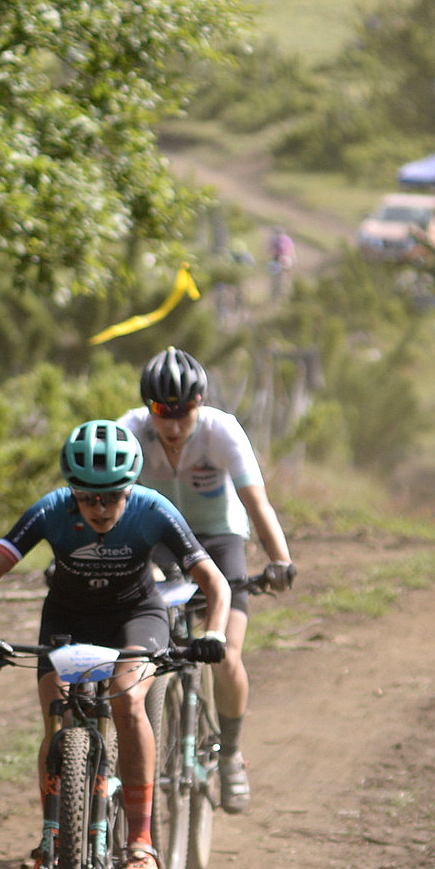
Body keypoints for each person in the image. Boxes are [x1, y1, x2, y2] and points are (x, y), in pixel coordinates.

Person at [0, 421, 229, 869]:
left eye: (112, 496)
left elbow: (213, 580)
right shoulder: (51, 510)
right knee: (55, 718)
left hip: (136, 614)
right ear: (72, 490)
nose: (99, 507)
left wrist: (214, 632)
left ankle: (140, 842)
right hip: (68, 616)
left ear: (130, 488)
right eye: (87, 496)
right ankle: (52, 843)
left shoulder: (152, 509)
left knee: (129, 702)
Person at [116, 348, 297, 815]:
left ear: (200, 405)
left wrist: (279, 558)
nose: (173, 425)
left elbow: (257, 504)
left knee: (227, 653)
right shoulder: (130, 431)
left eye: (184, 412)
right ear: (146, 408)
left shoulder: (221, 431)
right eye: (162, 412)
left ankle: (231, 755)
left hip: (218, 540)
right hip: (156, 540)